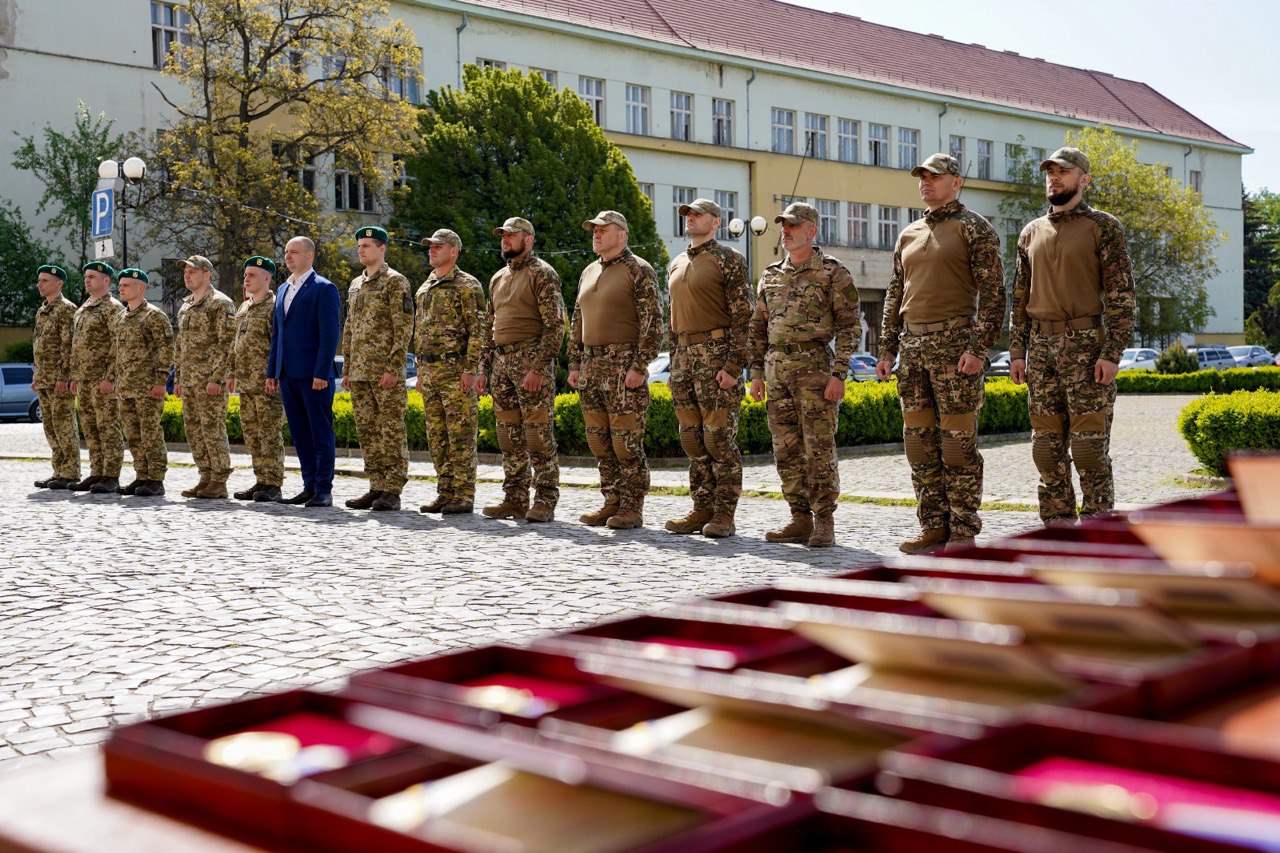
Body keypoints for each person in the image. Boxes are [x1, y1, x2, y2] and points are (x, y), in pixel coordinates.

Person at [878, 153, 1005, 553]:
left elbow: (994, 294)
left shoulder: (974, 228)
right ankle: (932, 525)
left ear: (956, 182)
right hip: (912, 349)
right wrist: (886, 348)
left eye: (935, 177)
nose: (926, 183)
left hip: (955, 349)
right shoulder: (909, 233)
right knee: (919, 443)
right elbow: (895, 293)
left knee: (957, 444)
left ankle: (964, 529)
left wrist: (978, 348)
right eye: (922, 177)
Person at [1010, 146, 1136, 524]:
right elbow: (1019, 297)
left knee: (1088, 449)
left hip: (1087, 348)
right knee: (1046, 448)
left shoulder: (1103, 226)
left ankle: (1098, 529)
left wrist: (1112, 353)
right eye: (1050, 171)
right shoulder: (1031, 232)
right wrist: (1017, 351)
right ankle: (1057, 527)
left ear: (1084, 178)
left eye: (1062, 171)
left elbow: (1121, 295)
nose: (1054, 177)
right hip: (1041, 349)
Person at [747, 202, 860, 548]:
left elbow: (850, 326)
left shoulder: (832, 273)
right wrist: (755, 373)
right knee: (785, 448)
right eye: (783, 225)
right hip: (776, 369)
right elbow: (758, 327)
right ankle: (799, 518)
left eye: (793, 225)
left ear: (812, 230)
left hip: (815, 370)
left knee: (818, 447)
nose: (785, 230)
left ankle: (824, 519)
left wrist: (839, 373)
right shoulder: (770, 274)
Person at [568, 211, 662, 529]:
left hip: (623, 366)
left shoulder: (638, 269)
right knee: (599, 440)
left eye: (602, 230)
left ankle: (632, 507)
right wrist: (575, 363)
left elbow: (653, 322)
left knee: (626, 442)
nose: (596, 234)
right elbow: (577, 320)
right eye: (593, 229)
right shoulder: (589, 271)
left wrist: (639, 366)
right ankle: (611, 502)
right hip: (592, 366)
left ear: (621, 235)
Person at [663, 198, 751, 538]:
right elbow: (672, 320)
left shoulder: (729, 260)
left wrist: (733, 365)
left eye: (698, 214)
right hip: (684, 360)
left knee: (718, 440)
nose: (691, 218)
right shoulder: (677, 262)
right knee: (692, 440)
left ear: (716, 222)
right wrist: (674, 366)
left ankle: (724, 514)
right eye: (687, 214)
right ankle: (701, 508)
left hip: (715, 358)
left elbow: (744, 315)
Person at [475, 217, 564, 523]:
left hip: (530, 360)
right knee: (508, 436)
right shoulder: (498, 277)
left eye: (511, 236)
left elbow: (555, 326)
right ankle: (514, 498)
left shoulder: (542, 274)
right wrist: (483, 369)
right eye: (502, 236)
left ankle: (545, 499)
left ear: (528, 240)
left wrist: (539, 368)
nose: (505, 240)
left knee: (537, 435)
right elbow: (489, 327)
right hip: (501, 364)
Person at [339, 226, 413, 512]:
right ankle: (376, 485)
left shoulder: (395, 282)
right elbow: (350, 327)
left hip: (384, 371)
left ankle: (392, 489)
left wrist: (394, 367)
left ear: (382, 249)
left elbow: (403, 325)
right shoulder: (356, 284)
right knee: (368, 431)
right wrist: (347, 367)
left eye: (367, 245)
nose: (361, 250)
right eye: (359, 246)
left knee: (390, 430)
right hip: (359, 371)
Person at [267, 236, 341, 508]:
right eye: (286, 252)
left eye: (294, 252)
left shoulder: (324, 288)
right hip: (288, 374)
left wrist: (322, 372)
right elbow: (278, 335)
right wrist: (272, 371)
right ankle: (309, 485)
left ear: (309, 256)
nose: (287, 256)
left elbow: (330, 334)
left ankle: (324, 488)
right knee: (299, 432)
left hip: (314, 376)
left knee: (320, 432)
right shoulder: (284, 288)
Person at [414, 229, 485, 515]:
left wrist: (472, 369)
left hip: (456, 370)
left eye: (438, 246)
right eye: (429, 246)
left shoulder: (467, 285)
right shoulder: (425, 285)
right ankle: (445, 492)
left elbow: (478, 330)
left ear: (453, 251)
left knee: (461, 435)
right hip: (430, 371)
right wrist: (420, 372)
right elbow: (420, 332)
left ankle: (464, 494)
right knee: (437, 436)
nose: (431, 250)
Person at [104, 268, 173, 497]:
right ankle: (141, 475)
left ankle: (156, 478)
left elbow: (165, 350)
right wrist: (111, 379)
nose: (121, 288)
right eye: (120, 285)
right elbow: (116, 353)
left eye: (126, 285)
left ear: (141, 288)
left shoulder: (154, 316)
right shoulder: (121, 317)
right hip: (126, 387)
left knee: (150, 432)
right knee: (133, 434)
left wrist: (160, 381)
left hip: (147, 387)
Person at [175, 255, 236, 499]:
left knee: (212, 430)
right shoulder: (186, 305)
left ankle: (219, 480)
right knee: (193, 430)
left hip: (210, 381)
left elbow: (227, 344)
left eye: (193, 271)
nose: (187, 275)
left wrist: (217, 378)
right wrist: (178, 378)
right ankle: (205, 476)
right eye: (186, 272)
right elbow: (180, 346)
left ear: (207, 274)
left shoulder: (220, 304)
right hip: (189, 380)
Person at [228, 256, 285, 503]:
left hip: (266, 383)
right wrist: (231, 374)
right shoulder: (244, 307)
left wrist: (275, 374)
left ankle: (273, 483)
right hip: (245, 382)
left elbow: (279, 344)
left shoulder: (275, 306)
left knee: (269, 433)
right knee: (252, 433)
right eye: (245, 275)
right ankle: (261, 479)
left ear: (266, 278)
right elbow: (235, 345)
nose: (247, 279)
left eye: (252, 275)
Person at [69, 261, 125, 494]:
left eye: (93, 276)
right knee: (91, 428)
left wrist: (110, 377)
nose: (87, 280)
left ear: (106, 281)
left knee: (107, 427)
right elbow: (76, 345)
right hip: (84, 380)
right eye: (86, 276)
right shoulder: (83, 308)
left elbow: (118, 346)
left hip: (103, 380)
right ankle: (97, 472)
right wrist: (74, 376)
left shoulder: (113, 308)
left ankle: (111, 475)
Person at [30, 264, 80, 489]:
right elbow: (39, 346)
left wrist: (64, 376)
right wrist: (36, 375)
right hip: (43, 379)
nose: (39, 284)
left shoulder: (66, 309)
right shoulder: (42, 310)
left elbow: (68, 346)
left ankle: (70, 473)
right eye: (39, 281)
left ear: (59, 284)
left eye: (45, 281)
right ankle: (58, 470)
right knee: (50, 426)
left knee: (64, 425)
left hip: (58, 380)